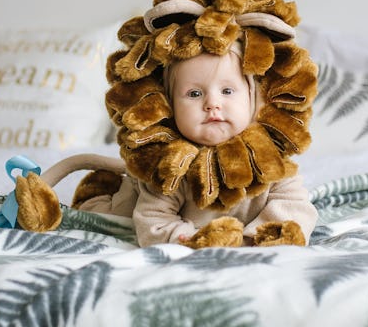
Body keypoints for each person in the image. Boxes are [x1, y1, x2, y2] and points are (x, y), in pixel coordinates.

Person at [77, 41, 318, 248]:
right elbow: (152, 221)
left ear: (252, 98)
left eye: (227, 90)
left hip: (246, 237)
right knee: (113, 218)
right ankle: (98, 189)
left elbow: (295, 207)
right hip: (142, 209)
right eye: (194, 94)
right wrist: (192, 241)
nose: (212, 103)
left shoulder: (268, 157)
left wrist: (252, 240)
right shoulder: (171, 165)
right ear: (171, 107)